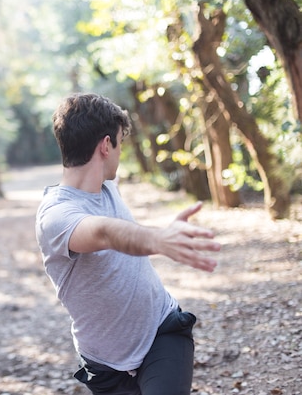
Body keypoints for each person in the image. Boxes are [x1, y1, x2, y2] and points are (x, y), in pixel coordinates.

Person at [35, 93, 221, 395]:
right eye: (120, 143)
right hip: (104, 365)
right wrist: (157, 239)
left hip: (162, 331)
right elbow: (104, 233)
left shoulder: (107, 186)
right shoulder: (56, 215)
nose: (121, 154)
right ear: (106, 145)